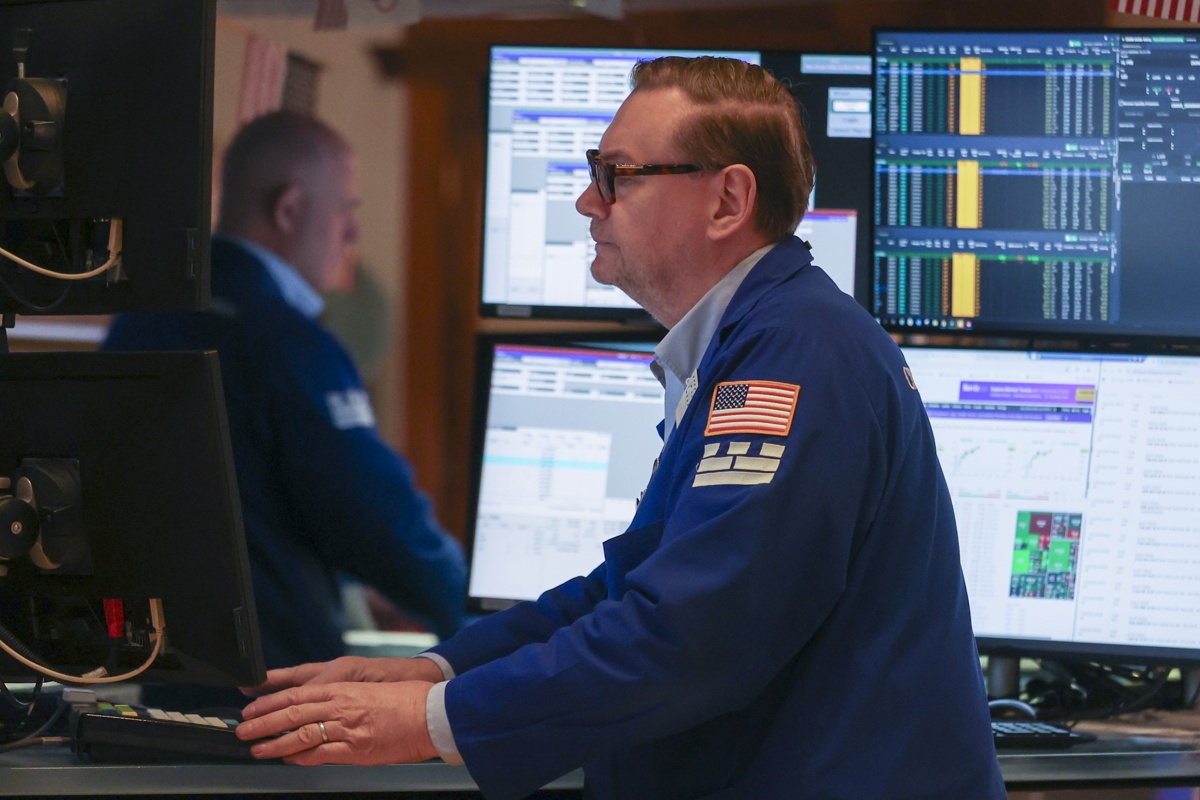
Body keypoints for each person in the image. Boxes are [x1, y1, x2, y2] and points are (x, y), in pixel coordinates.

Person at [234, 59, 1005, 799]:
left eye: (618, 175)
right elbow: (624, 593)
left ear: (728, 202)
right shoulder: (757, 343)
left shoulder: (794, 355)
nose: (587, 202)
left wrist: (431, 722)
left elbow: (692, 637)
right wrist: (439, 672)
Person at [101, 111, 468, 707]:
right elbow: (374, 518)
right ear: (291, 208)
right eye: (346, 209)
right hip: (278, 688)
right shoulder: (285, 341)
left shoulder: (142, 321)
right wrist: (486, 617)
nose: (352, 234)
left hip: (164, 679)